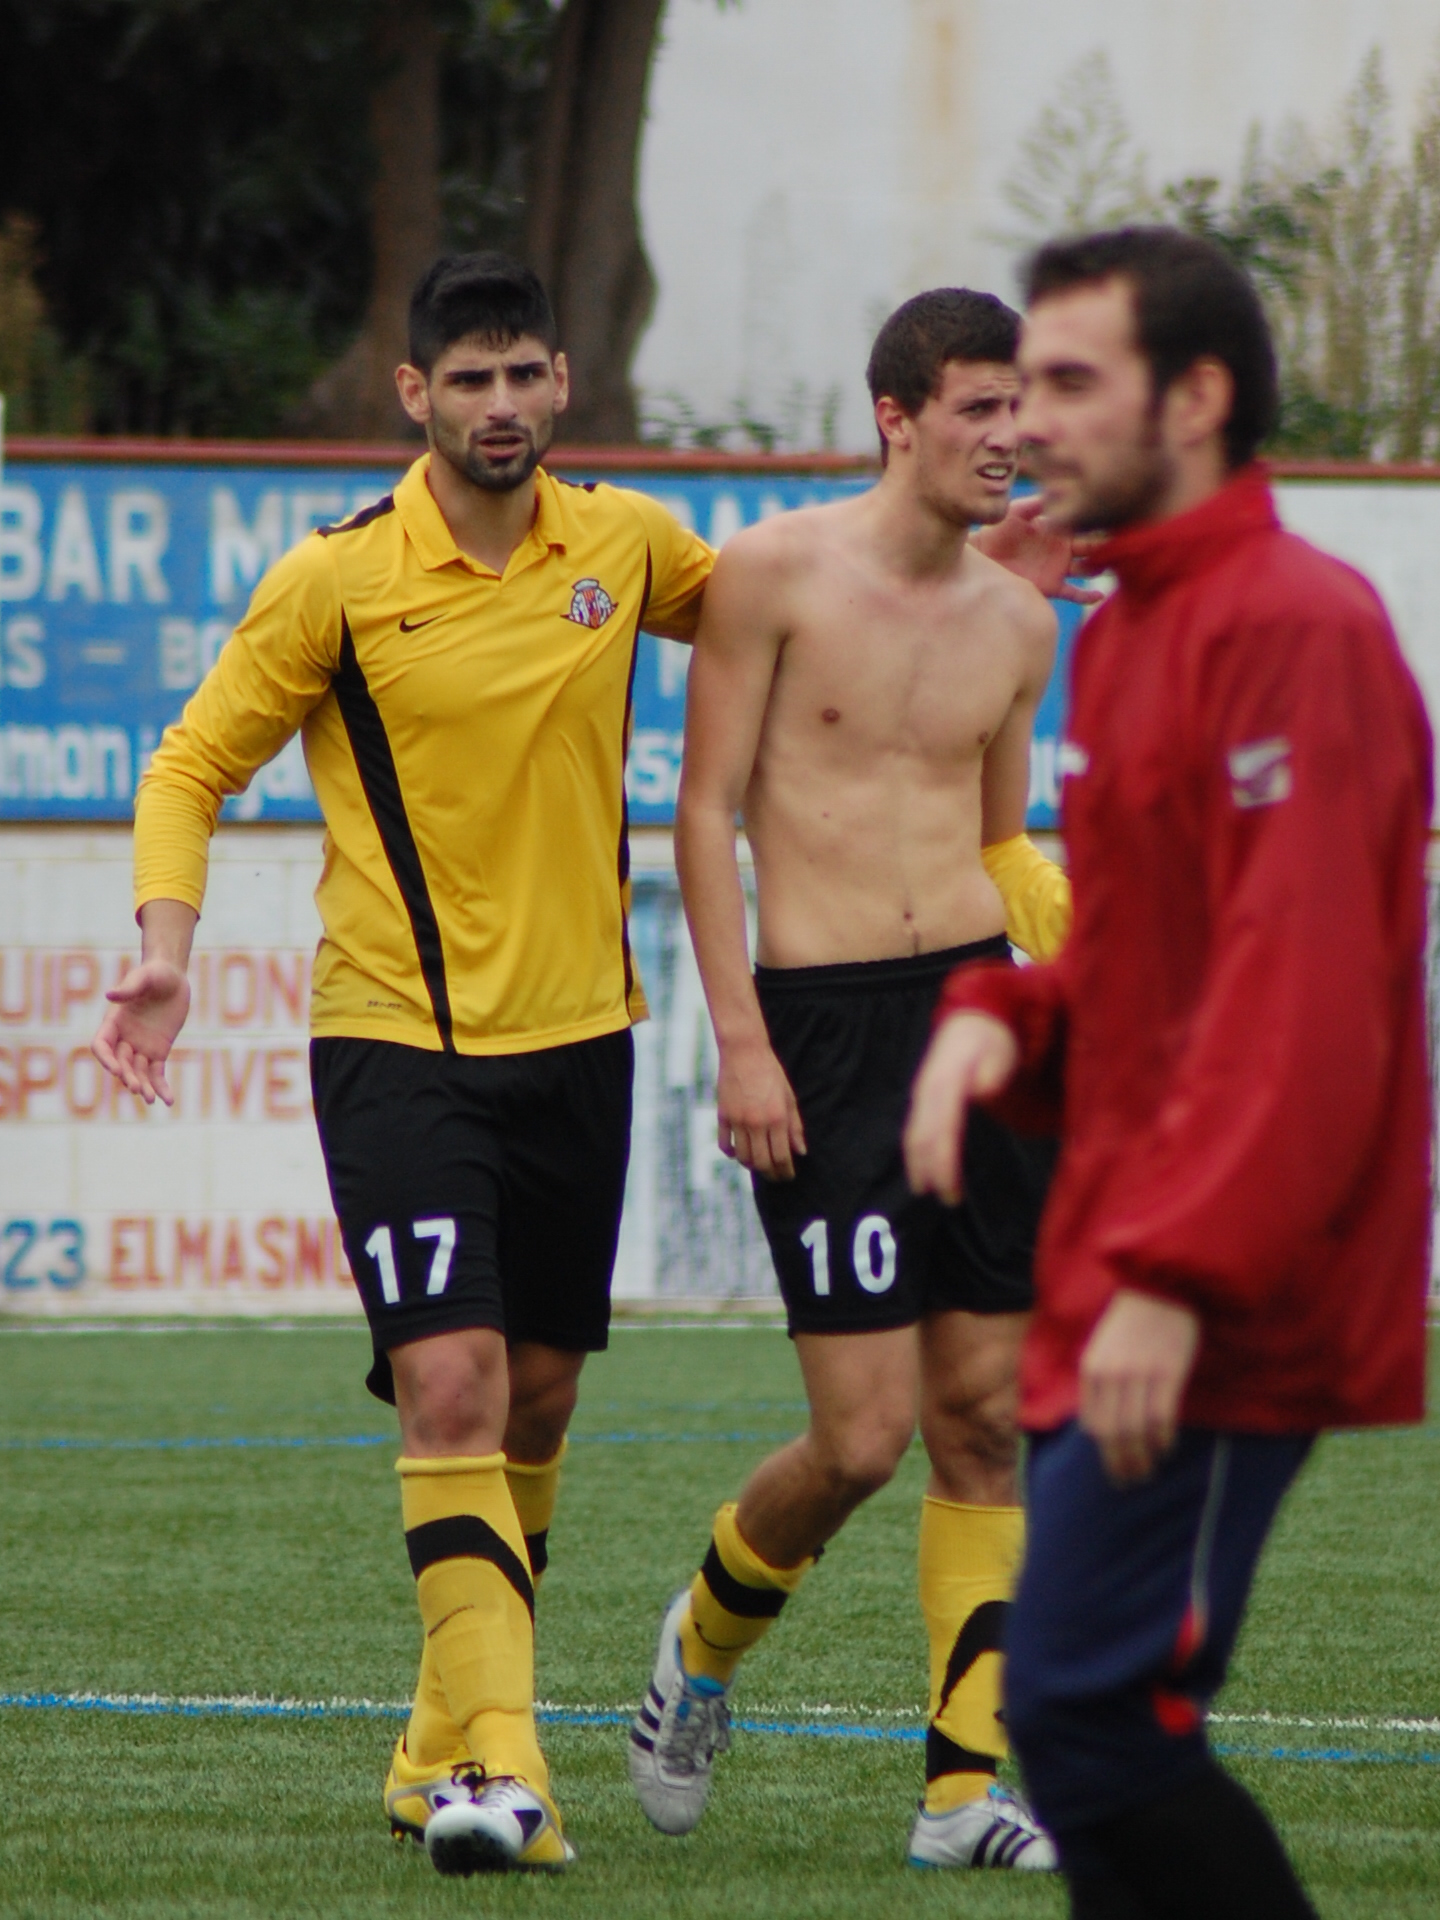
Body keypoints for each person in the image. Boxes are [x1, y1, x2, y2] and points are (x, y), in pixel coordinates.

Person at [90, 252, 715, 1877]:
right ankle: (504, 1774)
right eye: (471, 377)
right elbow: (190, 760)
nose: (501, 405)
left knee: (545, 1401)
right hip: (394, 1040)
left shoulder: (630, 547)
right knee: (454, 1383)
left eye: (527, 374)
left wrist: (960, 557)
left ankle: (434, 1742)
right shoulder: (340, 579)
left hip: (585, 1042)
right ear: (415, 394)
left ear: (563, 386)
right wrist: (165, 946)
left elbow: (802, 618)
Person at [904, 228, 1431, 1920]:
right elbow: (1145, 967)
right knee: (1081, 1730)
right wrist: (1003, 1022)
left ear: (1195, 398)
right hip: (1124, 1264)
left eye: (1070, 381)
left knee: (1087, 1716)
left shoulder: (1302, 629)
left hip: (1219, 1293)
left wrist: (1180, 1278)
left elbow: (1310, 1005)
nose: (1030, 421)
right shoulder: (1122, 631)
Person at [629, 288, 1086, 1870]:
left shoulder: (1024, 622)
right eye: (978, 409)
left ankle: (963, 1793)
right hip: (819, 1030)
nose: (1009, 439)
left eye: (1020, 411)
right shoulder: (768, 574)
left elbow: (1004, 843)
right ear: (897, 416)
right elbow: (701, 817)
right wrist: (742, 1037)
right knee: (863, 1438)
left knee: (985, 1422)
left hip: (975, 1023)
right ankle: (699, 1645)